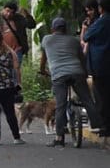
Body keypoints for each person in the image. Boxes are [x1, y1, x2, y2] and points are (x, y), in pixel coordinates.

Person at [40, 17, 104, 147]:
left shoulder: (47, 39)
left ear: (53, 29)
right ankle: (98, 126)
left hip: (59, 75)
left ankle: (59, 137)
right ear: (65, 29)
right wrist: (84, 73)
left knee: (60, 105)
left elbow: (43, 58)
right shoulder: (74, 41)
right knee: (87, 100)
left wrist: (42, 71)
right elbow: (81, 58)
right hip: (77, 72)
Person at [83, 0, 110, 136]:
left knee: (101, 96)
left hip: (100, 64)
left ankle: (105, 127)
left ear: (101, 8)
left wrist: (86, 28)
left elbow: (86, 37)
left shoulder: (102, 21)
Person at [0, 0, 36, 66]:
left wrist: (26, 14)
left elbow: (31, 25)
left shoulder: (18, 18)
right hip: (1, 50)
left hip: (17, 50)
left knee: (15, 70)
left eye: (11, 12)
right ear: (3, 9)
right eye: (7, 11)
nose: (8, 14)